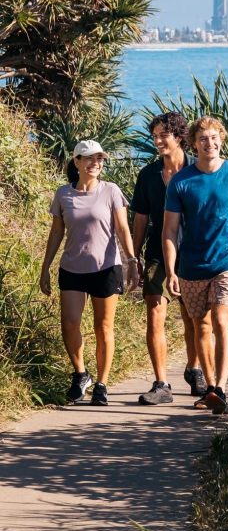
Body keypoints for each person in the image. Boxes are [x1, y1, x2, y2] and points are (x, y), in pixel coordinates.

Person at [163, 116, 228, 415]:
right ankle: (210, 387)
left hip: (227, 262)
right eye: (203, 139)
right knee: (200, 326)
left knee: (221, 320)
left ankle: (220, 388)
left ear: (222, 140)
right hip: (191, 265)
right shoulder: (181, 181)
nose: (210, 143)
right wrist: (170, 271)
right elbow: (169, 230)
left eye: (215, 137)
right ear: (193, 143)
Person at [39, 140, 139, 406]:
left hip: (106, 268)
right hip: (72, 266)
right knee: (69, 323)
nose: (96, 163)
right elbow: (56, 232)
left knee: (103, 327)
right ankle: (81, 374)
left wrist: (131, 261)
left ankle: (102, 385)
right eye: (89, 159)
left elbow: (122, 229)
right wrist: (45, 267)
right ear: (77, 162)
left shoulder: (111, 191)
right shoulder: (63, 194)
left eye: (100, 159)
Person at [131, 111, 207, 405]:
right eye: (155, 136)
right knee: (154, 314)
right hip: (156, 255)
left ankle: (195, 369)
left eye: (164, 135)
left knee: (193, 317)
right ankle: (161, 383)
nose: (158, 141)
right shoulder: (148, 175)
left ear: (179, 137)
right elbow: (140, 218)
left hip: (192, 254)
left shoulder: (197, 171)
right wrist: (133, 257)